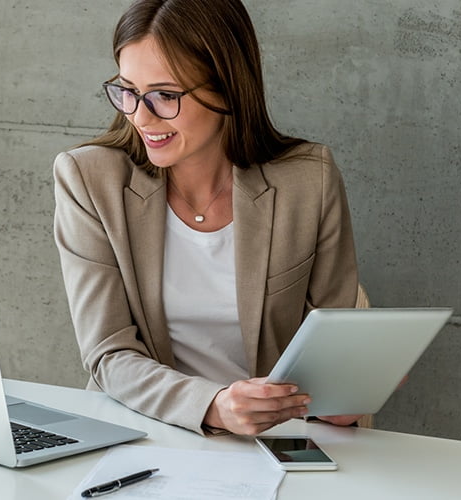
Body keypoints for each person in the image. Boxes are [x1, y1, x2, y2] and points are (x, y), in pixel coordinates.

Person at [52, 0, 365, 436]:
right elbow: (108, 353)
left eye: (165, 95)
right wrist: (213, 406)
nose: (140, 116)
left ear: (228, 88)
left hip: (273, 440)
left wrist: (346, 391)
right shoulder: (89, 179)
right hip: (141, 430)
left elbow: (333, 347)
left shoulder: (309, 180)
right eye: (128, 91)